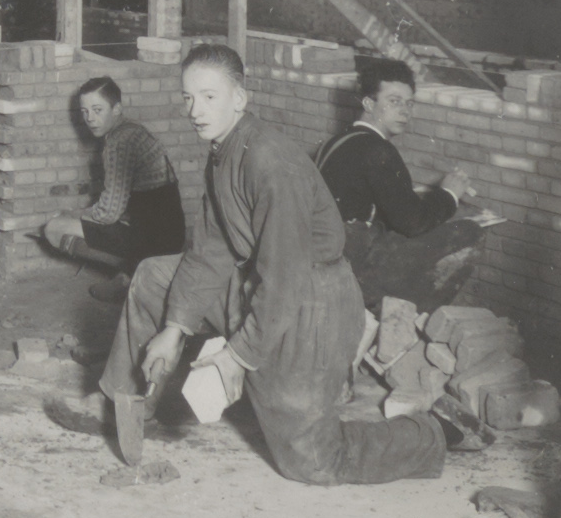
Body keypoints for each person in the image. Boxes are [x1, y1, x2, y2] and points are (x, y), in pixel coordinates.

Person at [93, 43, 491, 483]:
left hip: (312, 307)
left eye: (209, 96)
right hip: (259, 284)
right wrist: (174, 328)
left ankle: (433, 432)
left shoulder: (269, 161)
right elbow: (210, 249)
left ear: (239, 98)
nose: (195, 110)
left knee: (313, 462)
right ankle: (127, 404)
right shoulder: (223, 150)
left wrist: (236, 357)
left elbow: (284, 280)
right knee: (155, 276)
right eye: (188, 97)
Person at [315, 59, 484, 312]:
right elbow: (412, 223)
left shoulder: (336, 141)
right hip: (353, 270)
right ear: (369, 104)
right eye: (394, 101)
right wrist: (449, 194)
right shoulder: (378, 149)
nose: (405, 111)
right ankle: (412, 316)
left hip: (324, 259)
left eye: (409, 103)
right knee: (469, 231)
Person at [41, 76, 188, 305]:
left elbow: (109, 213)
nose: (90, 118)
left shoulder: (118, 143)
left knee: (53, 229)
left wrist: (75, 215)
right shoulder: (134, 130)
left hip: (152, 244)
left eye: (98, 110)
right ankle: (131, 276)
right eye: (85, 111)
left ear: (117, 109)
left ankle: (134, 275)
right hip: (171, 237)